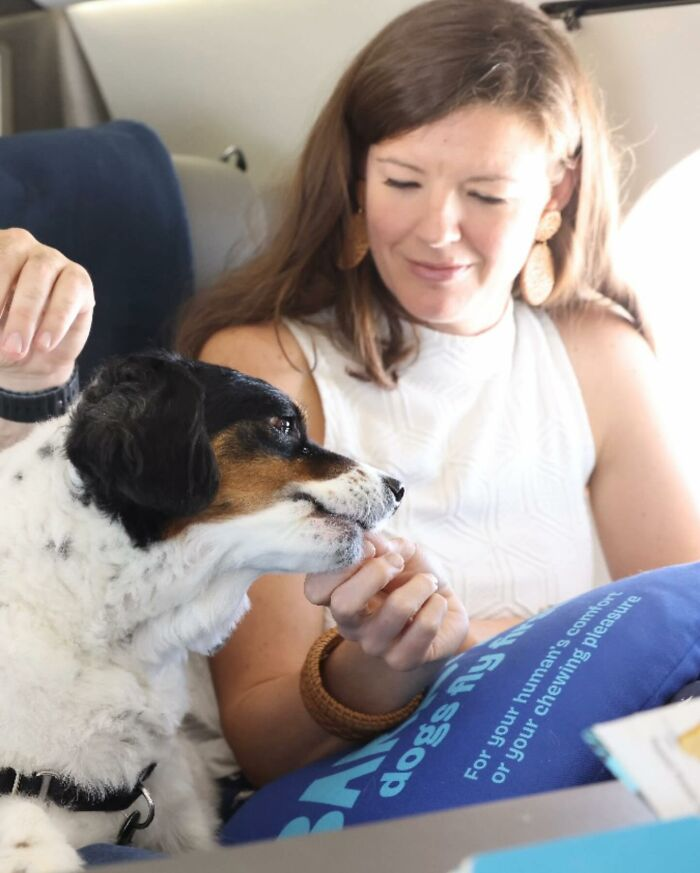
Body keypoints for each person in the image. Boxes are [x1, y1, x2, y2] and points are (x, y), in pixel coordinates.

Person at [2, 0, 700, 858]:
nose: (441, 229)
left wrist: (501, 647)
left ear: (554, 195)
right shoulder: (269, 368)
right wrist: (390, 665)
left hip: (575, 756)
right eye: (404, 183)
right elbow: (261, 733)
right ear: (357, 186)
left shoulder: (599, 351)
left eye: (486, 194)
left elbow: (677, 626)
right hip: (370, 778)